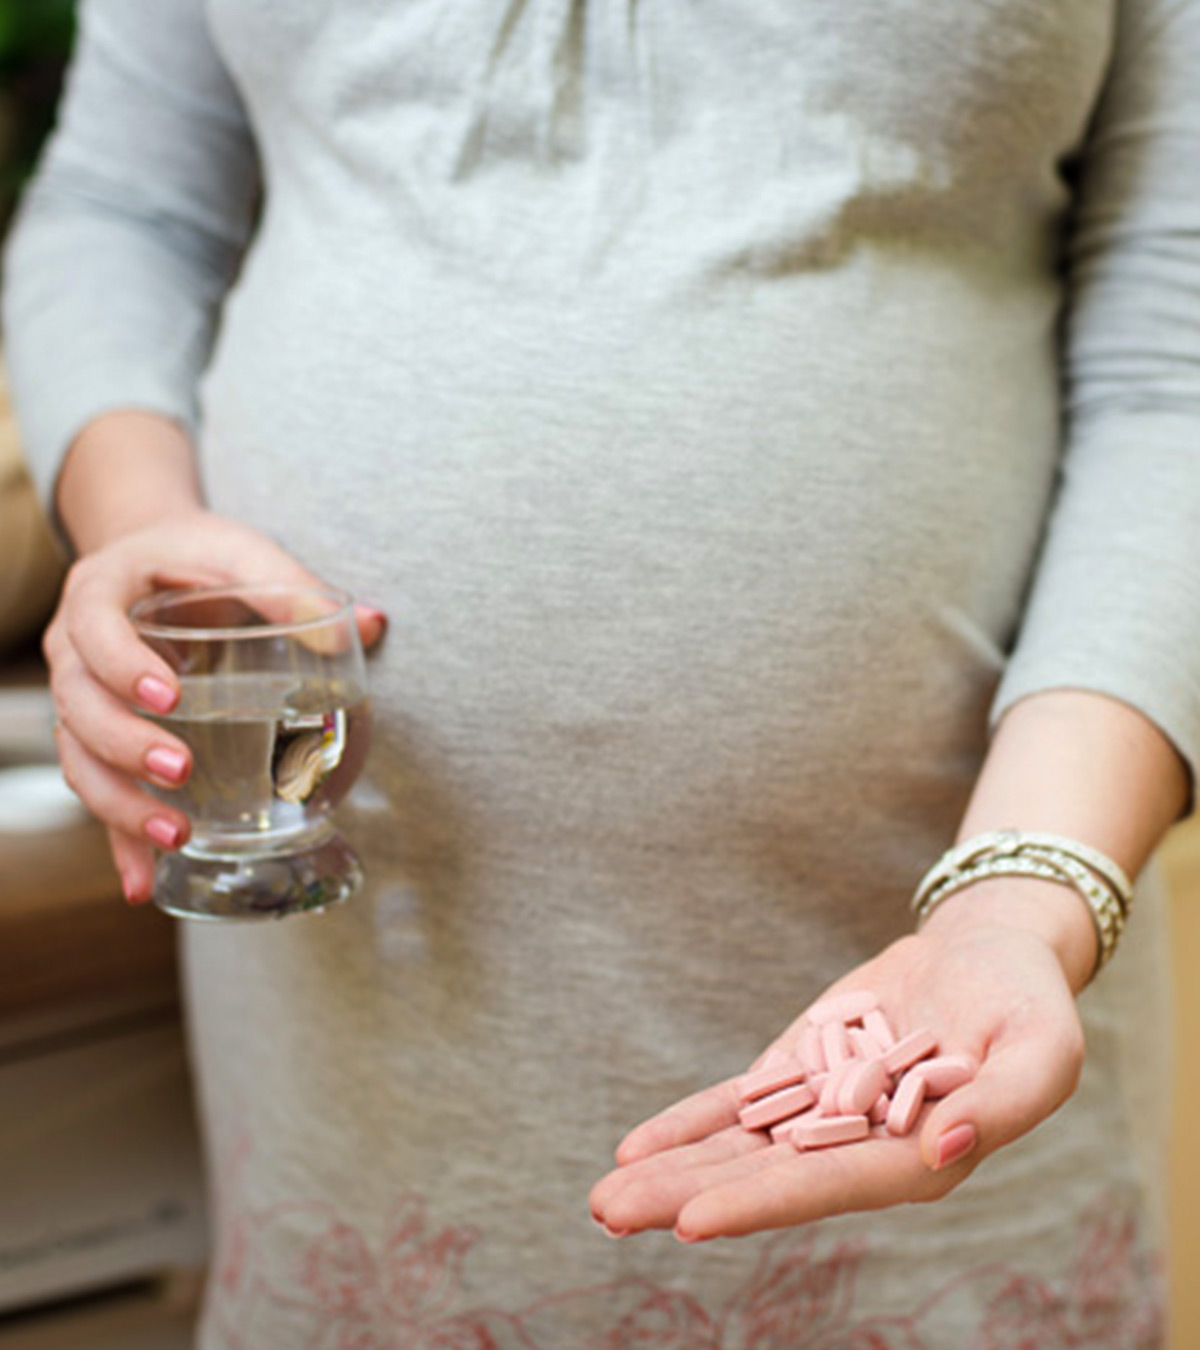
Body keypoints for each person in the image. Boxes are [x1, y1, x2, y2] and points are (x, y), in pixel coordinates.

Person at [4, 0, 1198, 1343]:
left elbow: (1180, 350)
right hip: (366, 1029)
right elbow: (121, 206)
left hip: (942, 993)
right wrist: (137, 521)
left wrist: (1023, 899)